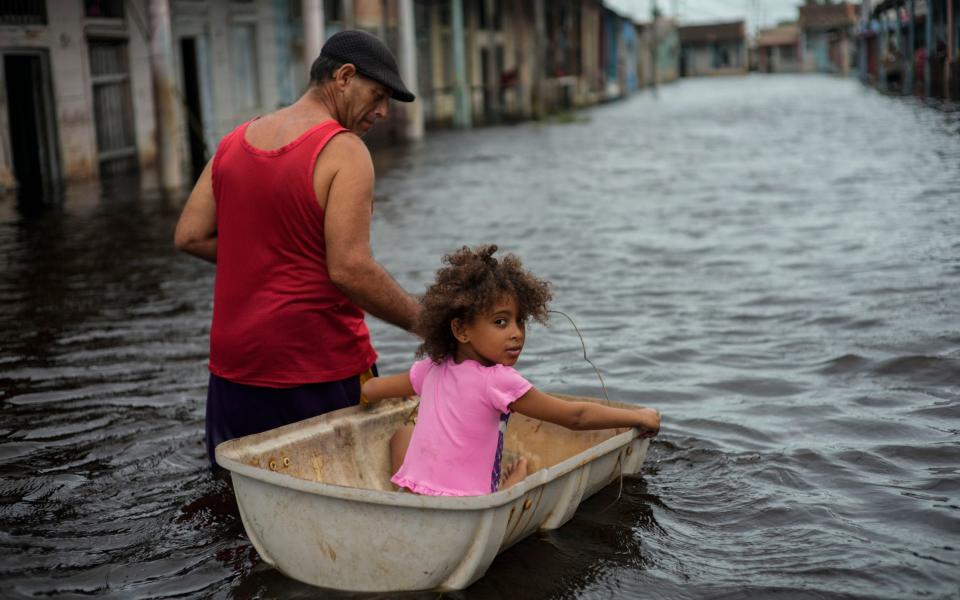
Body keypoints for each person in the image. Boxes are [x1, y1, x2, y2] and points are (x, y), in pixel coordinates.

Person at [173, 30, 421, 468]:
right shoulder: (344, 151)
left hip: (235, 370)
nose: (383, 111)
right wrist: (428, 324)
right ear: (344, 77)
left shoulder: (234, 141)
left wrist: (267, 255)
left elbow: (189, 235)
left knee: (239, 499)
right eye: (378, 94)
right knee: (342, 491)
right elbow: (350, 268)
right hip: (316, 366)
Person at [361, 245, 661, 496]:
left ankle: (404, 492)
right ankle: (511, 485)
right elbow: (575, 416)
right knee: (416, 434)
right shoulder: (499, 381)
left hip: (414, 497)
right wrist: (639, 416)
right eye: (501, 322)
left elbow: (371, 390)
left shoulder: (432, 368)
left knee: (403, 432)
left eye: (521, 321)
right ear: (461, 329)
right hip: (468, 505)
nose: (517, 333)